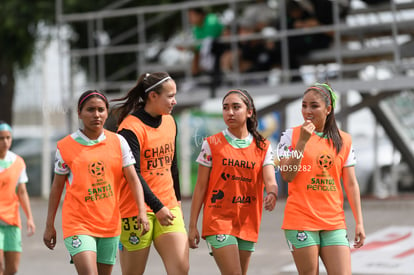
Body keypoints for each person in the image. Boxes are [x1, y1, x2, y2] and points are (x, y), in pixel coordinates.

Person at [43, 90, 149, 275]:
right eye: (90, 110)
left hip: (110, 223)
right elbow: (57, 187)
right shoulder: (65, 146)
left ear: (107, 112)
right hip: (78, 224)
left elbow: (133, 179)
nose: (96, 114)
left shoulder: (118, 141)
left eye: (101, 109)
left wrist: (142, 211)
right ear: (79, 113)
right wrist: (49, 224)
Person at [276, 82, 365, 274]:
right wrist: (302, 142)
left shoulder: (344, 140)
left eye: (314, 106)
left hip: (334, 221)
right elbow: (287, 175)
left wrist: (359, 221)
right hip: (300, 220)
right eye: (304, 105)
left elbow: (351, 184)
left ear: (328, 109)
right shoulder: (290, 135)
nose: (307, 111)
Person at [188, 89, 278, 275]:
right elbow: (201, 186)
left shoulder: (262, 146)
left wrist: (272, 192)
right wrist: (192, 225)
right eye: (225, 108)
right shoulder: (212, 143)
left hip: (247, 220)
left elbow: (270, 179)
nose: (230, 112)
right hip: (218, 220)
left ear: (249, 112)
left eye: (236, 107)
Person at [112, 72, 189, 275]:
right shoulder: (130, 129)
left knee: (180, 269)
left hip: (168, 205)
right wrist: (157, 207)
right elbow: (133, 175)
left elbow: (173, 165)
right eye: (170, 96)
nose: (175, 101)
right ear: (153, 96)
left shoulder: (170, 121)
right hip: (136, 210)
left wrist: (177, 203)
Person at [0, 121, 36, 275]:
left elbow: (22, 192)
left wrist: (29, 218)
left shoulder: (18, 162)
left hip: (12, 220)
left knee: (12, 268)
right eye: (1, 138)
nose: (5, 142)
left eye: (8, 138)